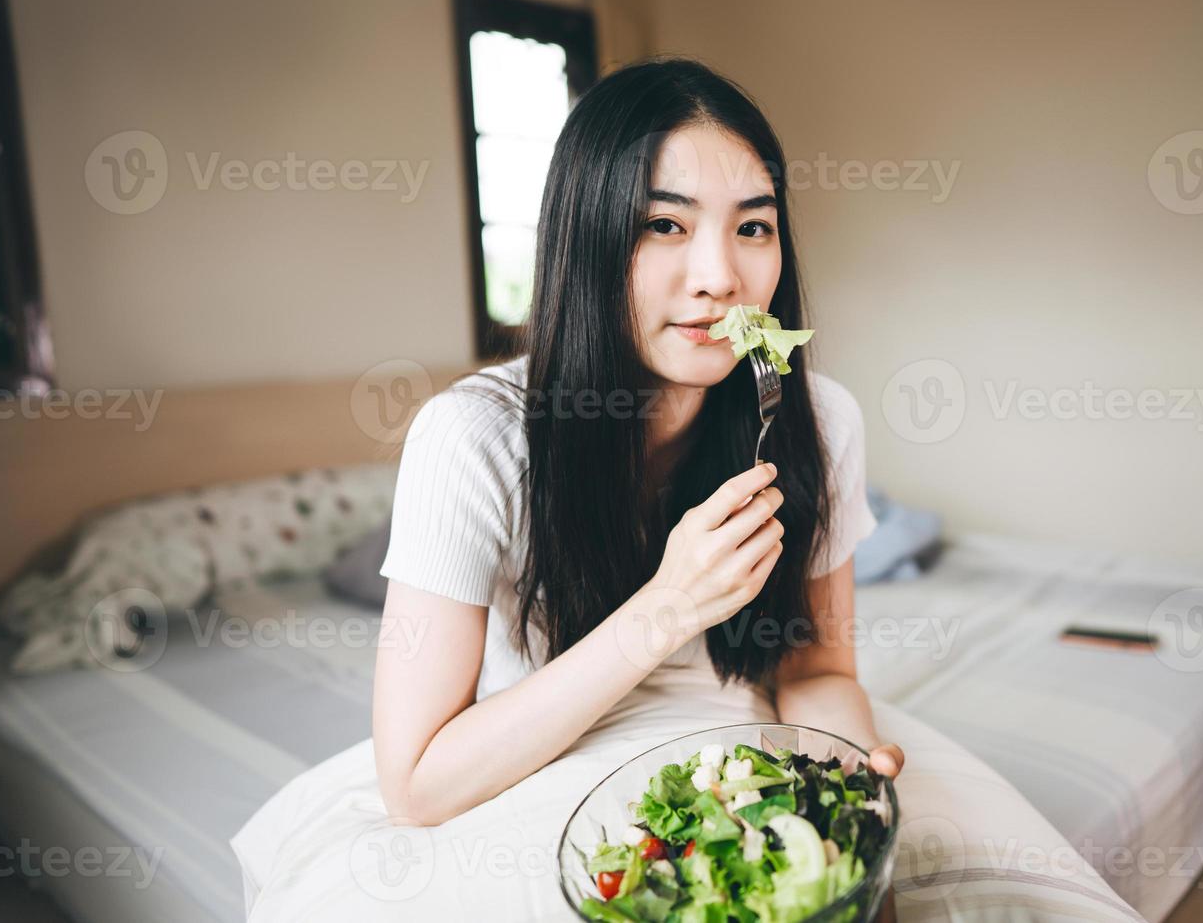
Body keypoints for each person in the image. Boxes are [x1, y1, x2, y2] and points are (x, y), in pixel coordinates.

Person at [231, 56, 1145, 923]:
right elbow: (419, 785)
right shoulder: (471, 437)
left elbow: (815, 668)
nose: (720, 276)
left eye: (753, 225)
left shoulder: (818, 419)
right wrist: (665, 610)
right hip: (526, 766)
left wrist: (846, 778)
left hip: (746, 753)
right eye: (663, 224)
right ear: (585, 238)